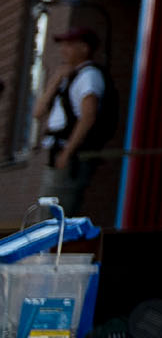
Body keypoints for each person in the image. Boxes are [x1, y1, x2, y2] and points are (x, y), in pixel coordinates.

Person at [34, 24, 109, 221]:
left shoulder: (89, 76)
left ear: (84, 48)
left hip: (70, 156)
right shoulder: (69, 77)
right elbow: (38, 112)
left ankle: (52, 252)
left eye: (69, 45)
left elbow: (88, 115)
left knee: (55, 216)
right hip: (59, 153)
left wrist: (67, 152)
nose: (63, 50)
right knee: (45, 212)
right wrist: (55, 80)